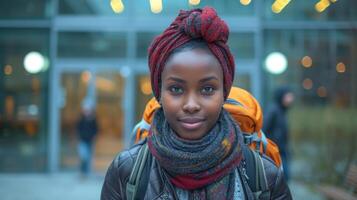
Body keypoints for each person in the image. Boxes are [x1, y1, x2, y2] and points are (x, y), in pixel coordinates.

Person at [101, 7, 292, 199]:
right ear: (159, 94)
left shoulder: (264, 176)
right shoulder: (127, 172)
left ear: (224, 94)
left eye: (207, 89)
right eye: (176, 89)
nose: (191, 104)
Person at [263, 87, 294, 182]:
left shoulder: (282, 111)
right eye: (288, 97)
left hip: (281, 150)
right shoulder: (273, 110)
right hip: (275, 151)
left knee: (285, 177)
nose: (291, 99)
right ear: (281, 97)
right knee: (283, 177)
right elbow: (264, 129)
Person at [76, 101, 98, 178]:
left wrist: (94, 137)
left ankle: (86, 172)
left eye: (88, 110)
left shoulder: (93, 120)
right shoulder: (81, 119)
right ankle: (82, 172)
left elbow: (95, 129)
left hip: (90, 141)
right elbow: (78, 129)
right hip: (82, 141)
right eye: (85, 110)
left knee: (88, 157)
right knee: (83, 156)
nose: (87, 112)